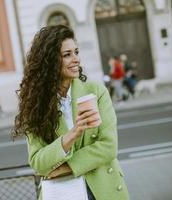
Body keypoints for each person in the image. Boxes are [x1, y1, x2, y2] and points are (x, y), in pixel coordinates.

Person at [11, 25, 129, 200]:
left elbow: (108, 146)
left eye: (76, 52)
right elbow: (38, 162)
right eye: (67, 55)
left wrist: (66, 167)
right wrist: (71, 135)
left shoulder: (96, 92)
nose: (76, 59)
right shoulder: (35, 105)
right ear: (50, 61)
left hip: (103, 189)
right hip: (62, 193)